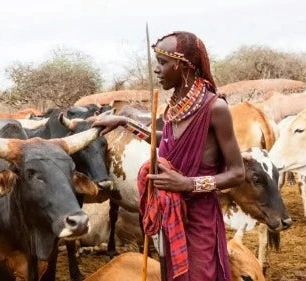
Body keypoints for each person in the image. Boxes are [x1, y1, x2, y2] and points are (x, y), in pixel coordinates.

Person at [93, 31, 245, 281]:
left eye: (163, 63)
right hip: (170, 216)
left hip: (199, 219)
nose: (157, 70)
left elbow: (238, 173)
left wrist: (187, 184)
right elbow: (168, 138)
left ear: (184, 66)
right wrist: (124, 122)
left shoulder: (215, 108)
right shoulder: (175, 105)